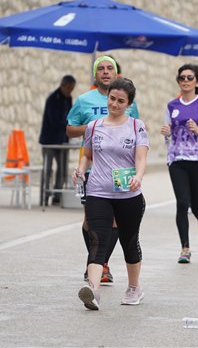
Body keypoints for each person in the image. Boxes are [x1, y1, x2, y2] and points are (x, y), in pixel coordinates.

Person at [74, 78, 149, 310]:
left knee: (129, 241)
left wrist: (138, 176)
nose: (114, 104)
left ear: (129, 104)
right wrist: (81, 169)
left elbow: (141, 158)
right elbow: (87, 155)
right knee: (97, 240)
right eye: (112, 98)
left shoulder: (136, 126)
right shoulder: (93, 126)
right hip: (98, 191)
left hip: (128, 195)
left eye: (120, 101)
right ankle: (93, 291)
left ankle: (134, 288)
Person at [67, 56, 140, 284]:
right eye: (101, 68)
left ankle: (102, 264)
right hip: (93, 167)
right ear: (95, 73)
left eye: (110, 68)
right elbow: (70, 129)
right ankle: (96, 260)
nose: (106, 72)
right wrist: (95, 128)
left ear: (116, 72)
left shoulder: (128, 100)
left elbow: (136, 132)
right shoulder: (84, 100)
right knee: (90, 221)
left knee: (115, 221)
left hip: (121, 170)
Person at [160, 64, 198, 264]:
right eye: (182, 78)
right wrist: (166, 132)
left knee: (197, 207)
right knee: (182, 203)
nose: (185, 81)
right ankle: (185, 249)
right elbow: (169, 132)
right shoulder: (172, 106)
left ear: (197, 82)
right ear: (178, 81)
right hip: (177, 159)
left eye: (189, 78)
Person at [39, 75, 76, 205]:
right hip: (50, 141)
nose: (69, 91)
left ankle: (57, 195)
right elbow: (53, 120)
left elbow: (70, 115)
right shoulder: (52, 99)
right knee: (47, 169)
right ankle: (44, 195)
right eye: (68, 88)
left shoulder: (68, 99)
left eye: (72, 89)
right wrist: (67, 126)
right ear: (62, 85)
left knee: (62, 169)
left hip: (63, 141)